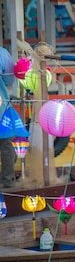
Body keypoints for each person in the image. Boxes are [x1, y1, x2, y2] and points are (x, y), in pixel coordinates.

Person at [0, 47, 16, 188]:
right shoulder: (2, 53)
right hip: (2, 108)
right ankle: (7, 180)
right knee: (6, 146)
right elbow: (9, 79)